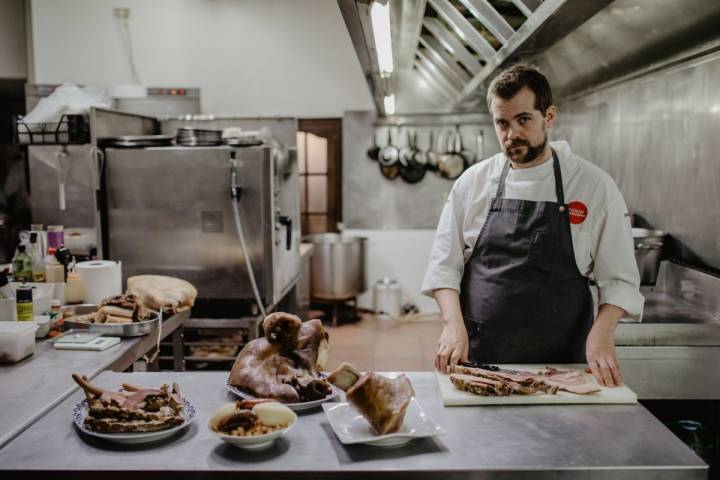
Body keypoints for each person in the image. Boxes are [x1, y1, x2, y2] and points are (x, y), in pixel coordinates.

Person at [421, 64, 643, 387]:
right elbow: (444, 266)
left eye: (523, 120)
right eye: (502, 123)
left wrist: (603, 333)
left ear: (549, 117)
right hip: (483, 359)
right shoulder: (473, 183)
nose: (511, 134)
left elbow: (620, 279)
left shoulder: (593, 186)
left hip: (563, 363)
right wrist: (452, 324)